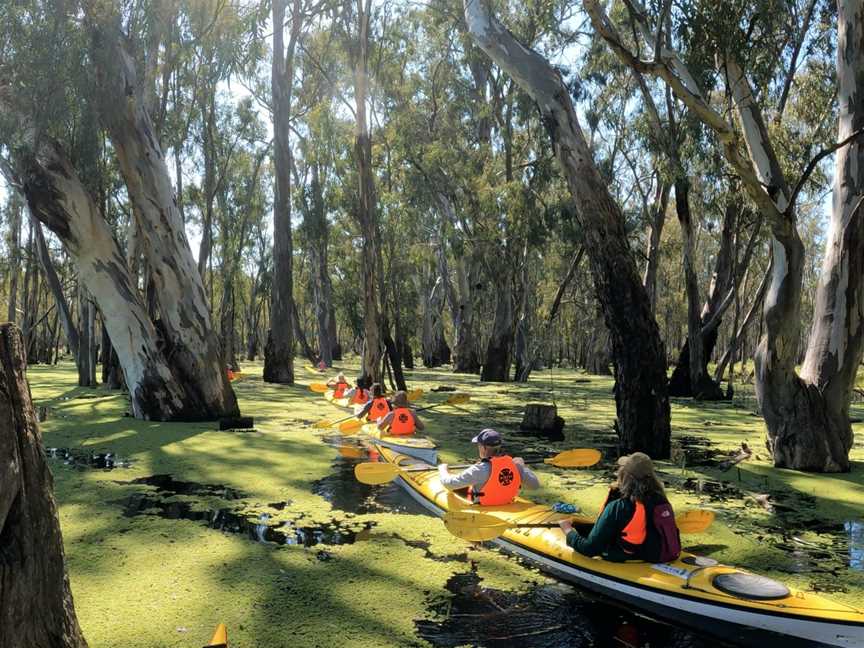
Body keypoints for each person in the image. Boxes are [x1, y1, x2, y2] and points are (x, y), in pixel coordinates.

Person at [559, 452, 680, 562]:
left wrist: (568, 530)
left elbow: (590, 549)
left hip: (625, 556)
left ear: (624, 475)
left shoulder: (619, 507)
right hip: (651, 553)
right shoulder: (660, 499)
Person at [438, 429, 539, 505]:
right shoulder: (515, 465)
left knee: (459, 485)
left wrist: (442, 470)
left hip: (484, 505)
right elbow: (535, 485)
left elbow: (449, 484)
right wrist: (523, 467)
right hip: (506, 502)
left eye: (478, 445)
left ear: (483, 448)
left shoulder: (479, 469)